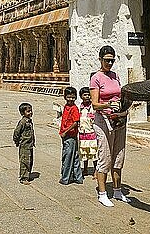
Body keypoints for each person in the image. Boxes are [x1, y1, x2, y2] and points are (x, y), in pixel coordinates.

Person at [90, 45, 130, 207]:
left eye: (112, 60)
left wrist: (122, 106)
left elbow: (119, 95)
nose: (110, 63)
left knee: (119, 155)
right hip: (103, 122)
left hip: (118, 120)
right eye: (107, 60)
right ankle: (102, 193)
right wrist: (108, 105)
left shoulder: (115, 76)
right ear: (100, 60)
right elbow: (94, 104)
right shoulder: (96, 78)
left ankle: (118, 190)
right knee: (105, 156)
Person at [59, 87, 84, 185]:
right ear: (65, 97)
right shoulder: (66, 106)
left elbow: (75, 122)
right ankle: (77, 177)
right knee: (74, 156)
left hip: (70, 135)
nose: (71, 99)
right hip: (66, 134)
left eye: (73, 97)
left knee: (68, 157)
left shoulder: (74, 108)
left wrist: (66, 131)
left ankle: (65, 178)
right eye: (69, 97)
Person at [78, 87, 98, 178]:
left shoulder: (93, 107)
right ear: (81, 96)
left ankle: (96, 171)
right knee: (84, 153)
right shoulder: (80, 107)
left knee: (93, 153)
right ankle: (85, 169)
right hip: (82, 133)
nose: (87, 96)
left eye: (88, 95)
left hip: (91, 133)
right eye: (84, 95)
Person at [13, 102, 34, 184]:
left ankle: (27, 174)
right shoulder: (23, 122)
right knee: (24, 161)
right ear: (22, 113)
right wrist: (17, 141)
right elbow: (16, 132)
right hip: (24, 145)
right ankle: (23, 178)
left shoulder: (29, 121)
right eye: (28, 111)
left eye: (31, 111)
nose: (30, 113)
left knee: (30, 160)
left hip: (30, 144)